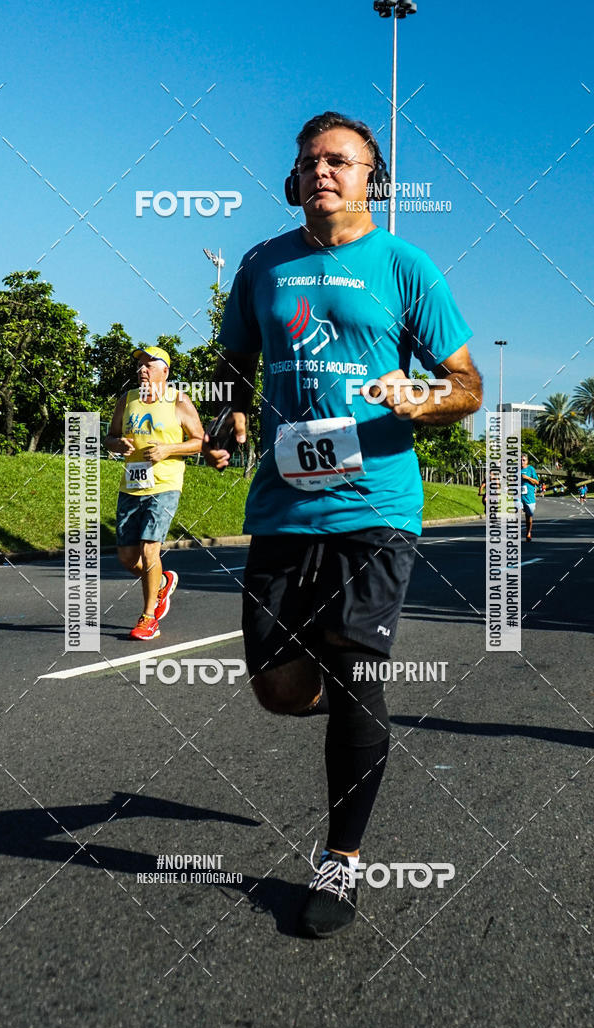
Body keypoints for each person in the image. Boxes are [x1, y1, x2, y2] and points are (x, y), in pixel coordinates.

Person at [205, 111, 482, 938]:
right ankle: (338, 690)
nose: (322, 170)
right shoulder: (262, 263)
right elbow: (232, 361)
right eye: (309, 160)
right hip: (284, 505)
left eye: (340, 160)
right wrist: (228, 425)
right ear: (294, 179)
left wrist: (424, 395)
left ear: (372, 178)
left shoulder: (405, 265)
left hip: (377, 506)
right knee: (276, 687)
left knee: (359, 667)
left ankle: (342, 859)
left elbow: (466, 383)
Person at [103, 346, 205, 640]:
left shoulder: (178, 401)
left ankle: (149, 618)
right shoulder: (128, 399)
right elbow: (109, 437)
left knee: (150, 549)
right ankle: (160, 581)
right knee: (126, 557)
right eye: (140, 366)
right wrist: (118, 444)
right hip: (131, 485)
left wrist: (168, 450)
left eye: (149, 364)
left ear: (165, 371)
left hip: (165, 484)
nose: (142, 370)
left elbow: (200, 441)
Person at [520, 453, 539, 542]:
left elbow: (537, 482)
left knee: (529, 515)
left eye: (524, 460)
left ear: (527, 461)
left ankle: (528, 532)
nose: (522, 461)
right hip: (519, 496)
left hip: (529, 496)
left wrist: (527, 478)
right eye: (520, 460)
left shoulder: (530, 469)